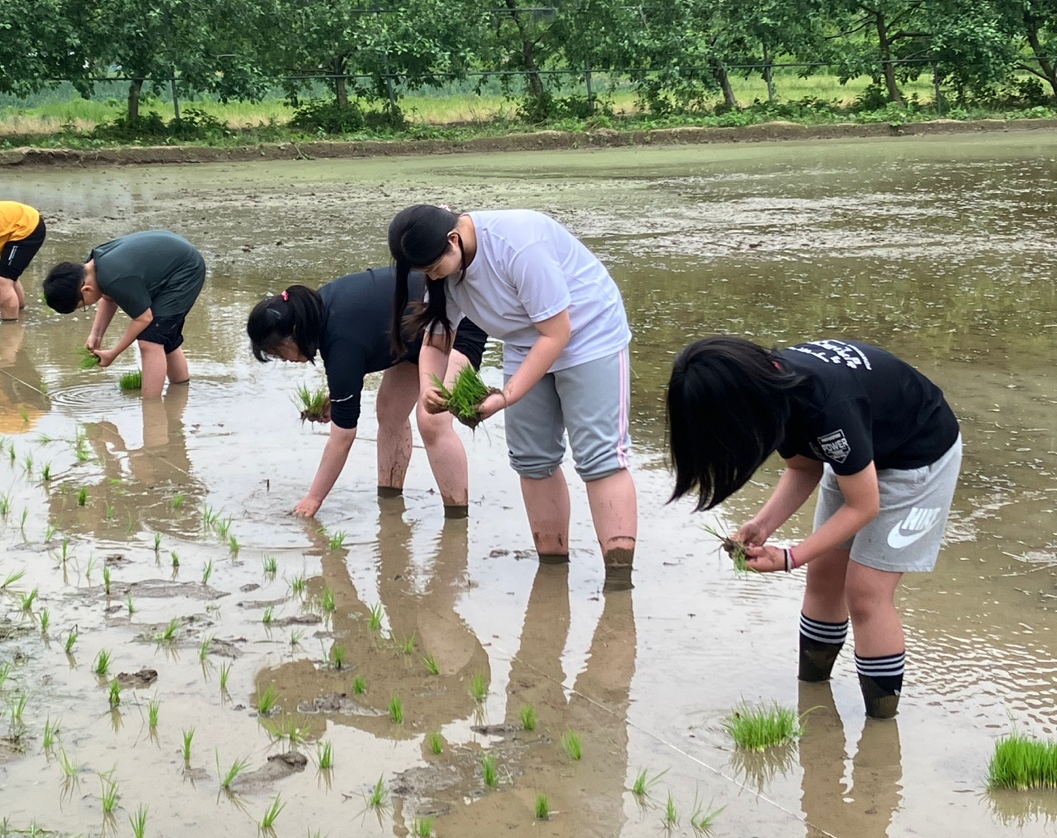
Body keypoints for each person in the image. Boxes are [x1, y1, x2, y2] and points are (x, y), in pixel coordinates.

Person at [665, 336, 963, 719]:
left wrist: (791, 557)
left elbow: (864, 505)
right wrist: (762, 524)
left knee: (866, 591)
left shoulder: (824, 405)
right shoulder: (774, 389)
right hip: (858, 452)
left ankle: (880, 729)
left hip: (918, 456)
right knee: (823, 575)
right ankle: (814, 702)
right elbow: (803, 467)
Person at [388, 204, 638, 588]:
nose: (431, 277)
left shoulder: (518, 244)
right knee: (531, 458)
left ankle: (619, 584)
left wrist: (504, 397)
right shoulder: (445, 269)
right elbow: (438, 339)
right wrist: (429, 390)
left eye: (433, 268)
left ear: (453, 240)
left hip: (589, 335)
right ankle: (553, 570)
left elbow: (557, 333)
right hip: (525, 341)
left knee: (599, 457)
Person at [246, 268, 487, 518]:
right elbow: (362, 343)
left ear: (294, 332)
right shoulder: (321, 309)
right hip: (416, 331)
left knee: (432, 419)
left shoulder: (339, 339)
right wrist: (338, 398)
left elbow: (342, 438)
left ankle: (457, 522)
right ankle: (390, 503)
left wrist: (313, 499)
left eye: (278, 351)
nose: (282, 359)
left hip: (460, 315)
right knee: (389, 410)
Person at [43, 230, 205, 400]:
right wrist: (96, 335)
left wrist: (113, 353)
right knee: (164, 333)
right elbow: (108, 297)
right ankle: (179, 393)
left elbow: (143, 317)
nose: (87, 306)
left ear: (86, 290)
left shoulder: (114, 277)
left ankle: (151, 408)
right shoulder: (91, 269)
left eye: (83, 305)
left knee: (150, 341)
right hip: (174, 260)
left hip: (186, 271)